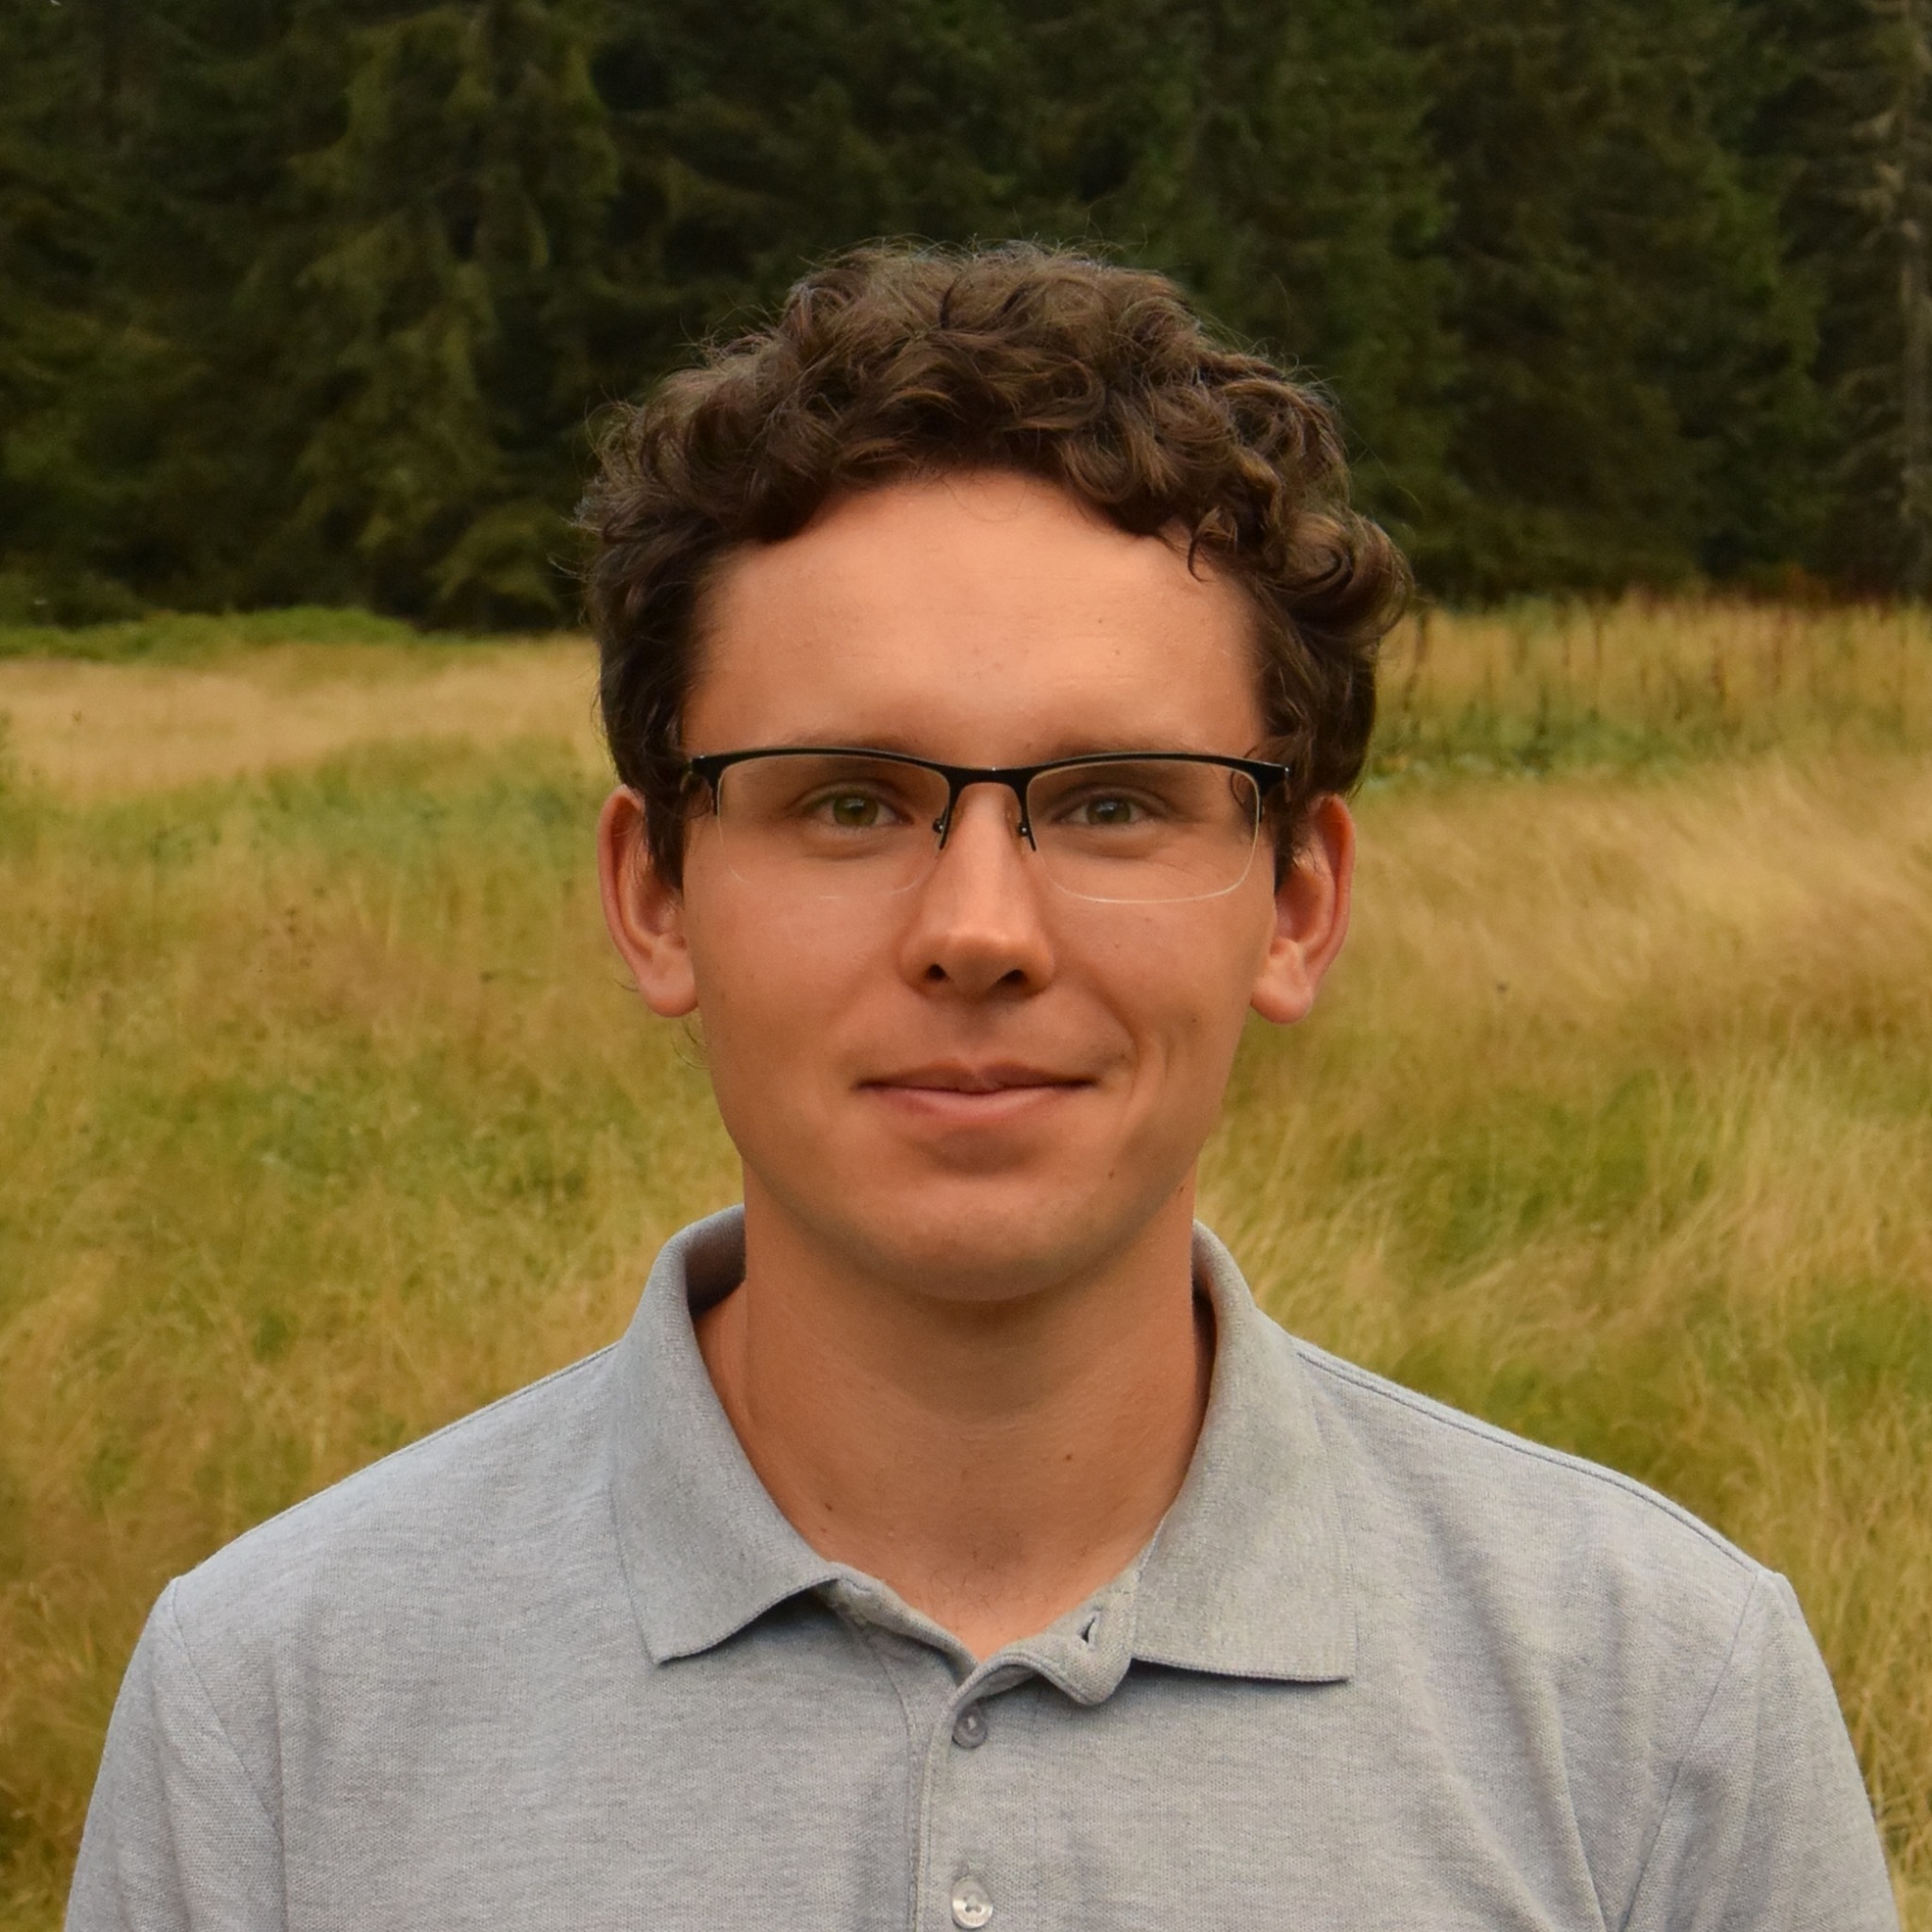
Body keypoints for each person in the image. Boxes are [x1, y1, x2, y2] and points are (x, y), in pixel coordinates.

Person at [67, 243, 1896, 1932]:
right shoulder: (275, 1706)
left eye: (1111, 802)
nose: (978, 932)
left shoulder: (1657, 1701)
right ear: (656, 895)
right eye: (849, 801)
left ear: (1295, 903)